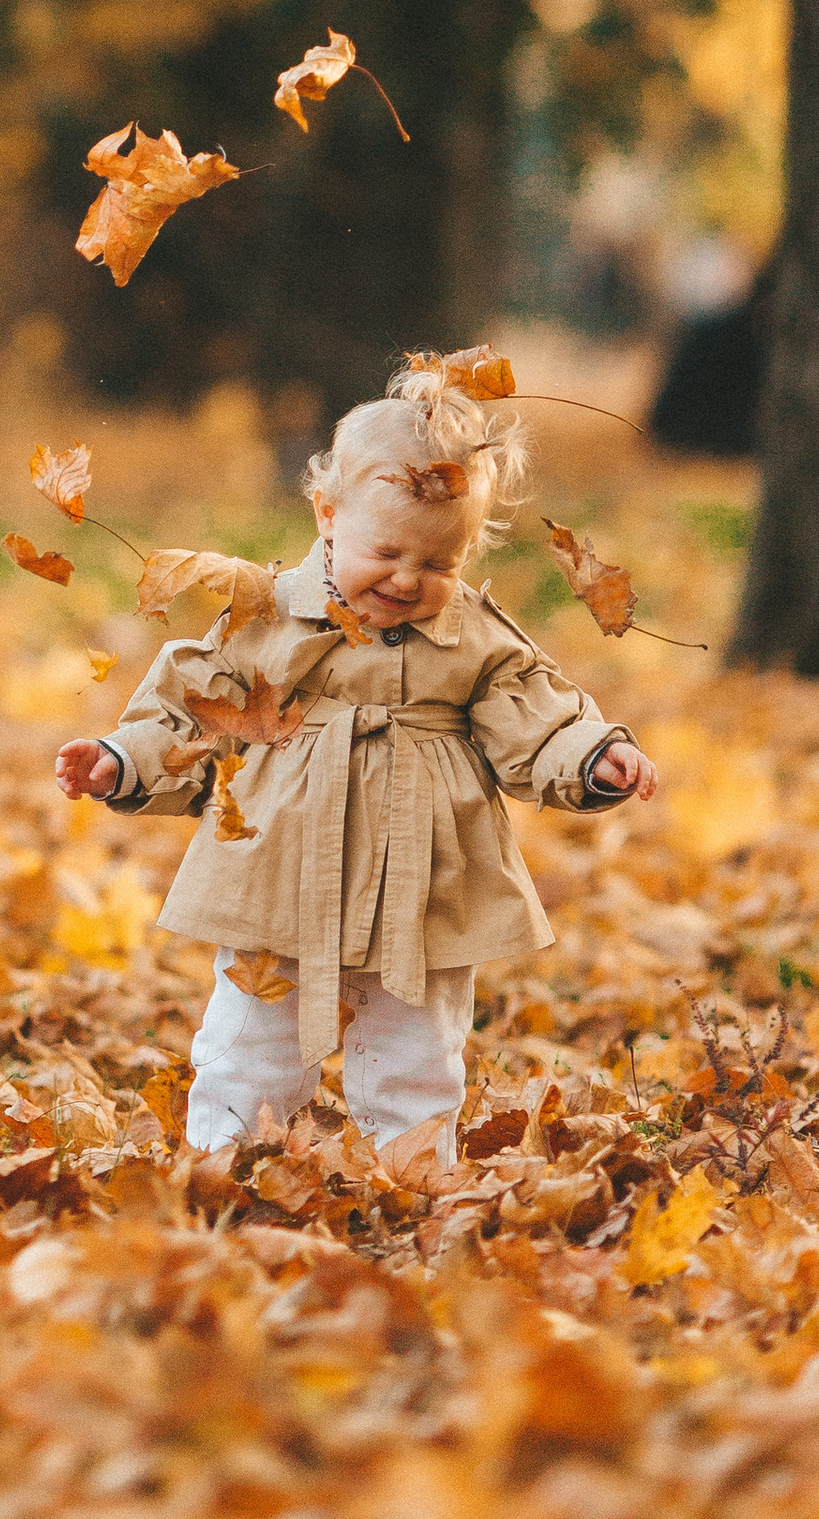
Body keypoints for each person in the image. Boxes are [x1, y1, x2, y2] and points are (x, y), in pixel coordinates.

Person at [53, 367, 658, 1162]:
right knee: (251, 1041)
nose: (409, 579)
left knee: (416, 1049)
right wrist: (122, 760)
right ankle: (226, 1160)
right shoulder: (267, 614)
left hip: (426, 879)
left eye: (440, 563)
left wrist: (591, 754)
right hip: (280, 867)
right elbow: (192, 703)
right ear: (328, 516)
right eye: (389, 552)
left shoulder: (475, 635)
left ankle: (411, 1168)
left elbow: (534, 710)